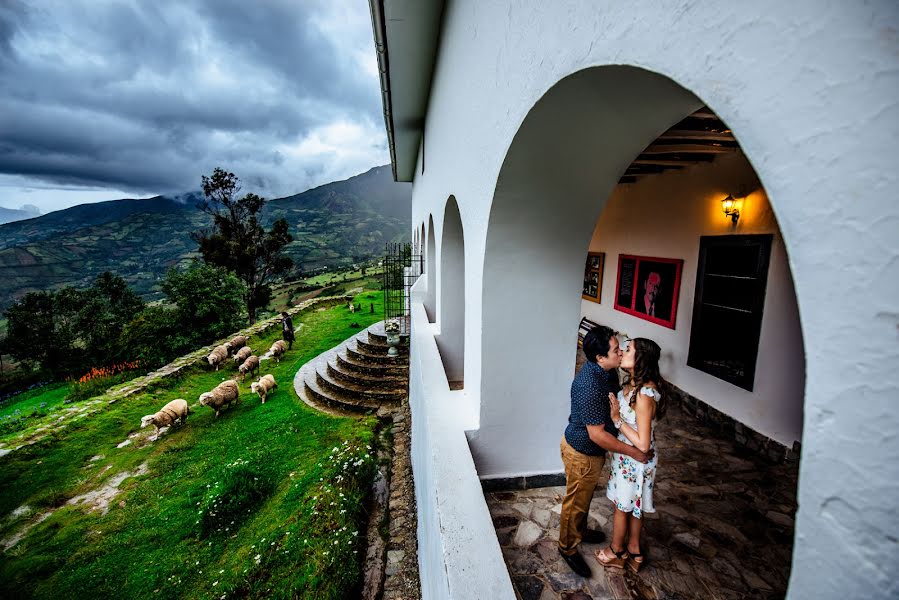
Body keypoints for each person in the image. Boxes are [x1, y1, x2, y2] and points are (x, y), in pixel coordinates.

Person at [559, 326, 653, 578]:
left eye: (622, 347)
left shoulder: (608, 371)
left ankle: (579, 531)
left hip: (592, 452)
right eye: (616, 349)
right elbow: (597, 434)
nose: (621, 351)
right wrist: (633, 452)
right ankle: (567, 548)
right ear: (600, 358)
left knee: (584, 498)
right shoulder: (590, 384)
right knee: (576, 503)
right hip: (582, 452)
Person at [596, 337, 665, 573]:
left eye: (628, 350)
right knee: (633, 505)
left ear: (640, 359)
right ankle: (634, 550)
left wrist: (617, 420)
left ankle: (617, 551)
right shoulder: (634, 386)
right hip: (628, 456)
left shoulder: (645, 394)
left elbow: (644, 444)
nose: (623, 352)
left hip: (636, 458)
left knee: (622, 506)